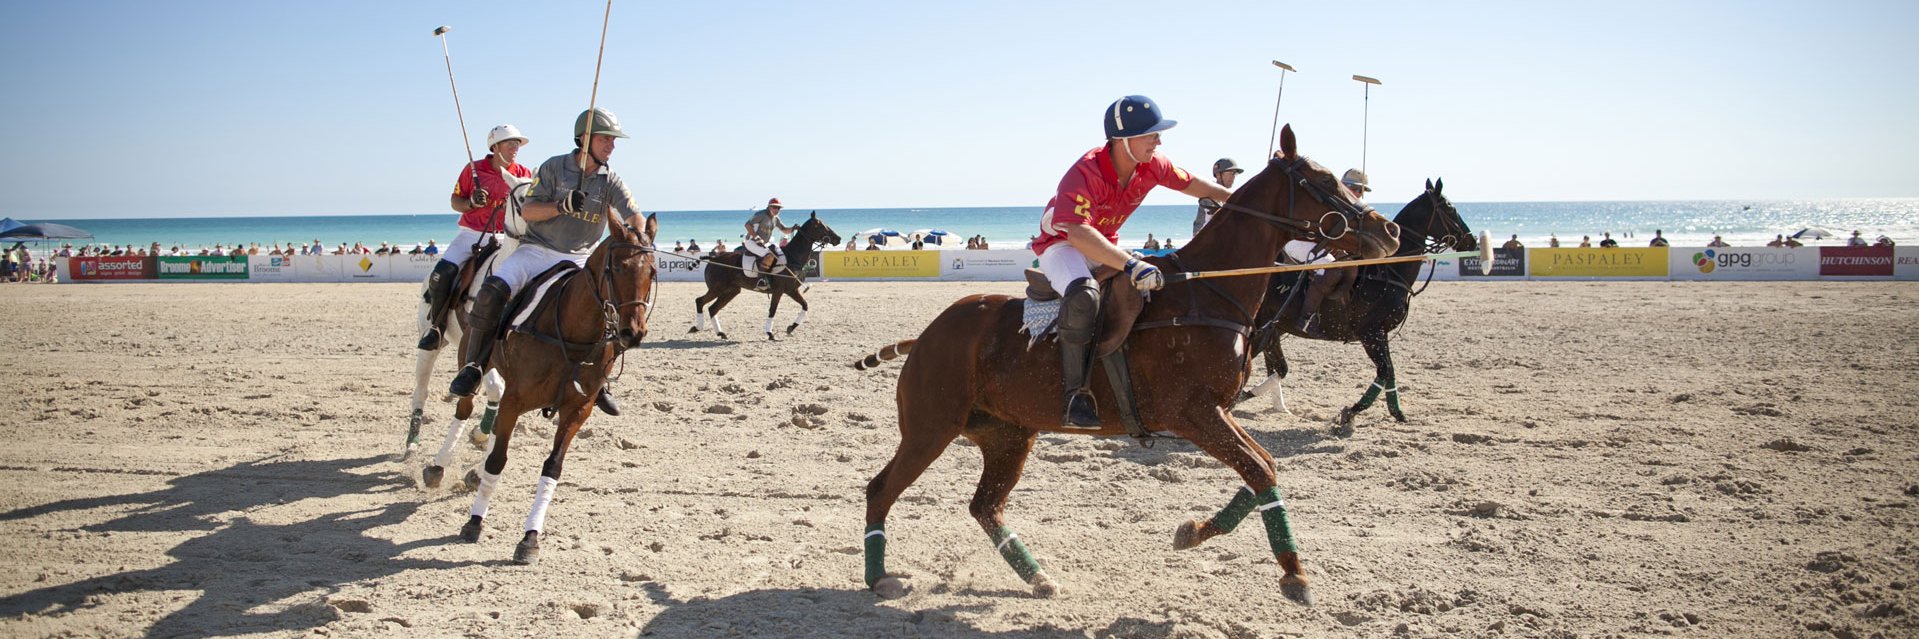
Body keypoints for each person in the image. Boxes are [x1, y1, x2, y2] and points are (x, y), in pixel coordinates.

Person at [1033, 95, 1232, 429]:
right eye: (1151, 134)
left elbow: (1193, 184)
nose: (1159, 140)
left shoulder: (1153, 164)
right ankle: (1074, 396)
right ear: (1123, 140)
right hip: (1063, 245)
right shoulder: (1084, 171)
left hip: (1104, 245)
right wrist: (1129, 264)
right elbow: (1078, 234)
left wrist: (1236, 199)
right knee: (1083, 297)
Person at [448, 108, 638, 417]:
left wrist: (638, 234)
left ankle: (599, 383)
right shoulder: (552, 168)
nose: (611, 146)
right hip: (537, 251)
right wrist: (561, 206)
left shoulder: (610, 180)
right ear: (585, 139)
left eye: (613, 140)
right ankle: (473, 367)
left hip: (579, 258)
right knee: (491, 291)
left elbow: (633, 214)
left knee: (611, 307)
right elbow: (529, 212)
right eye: (606, 139)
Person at [417, 124, 534, 351]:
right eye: (510, 143)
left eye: (517, 144)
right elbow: (455, 201)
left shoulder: (523, 174)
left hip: (509, 237)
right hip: (473, 234)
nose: (515, 147)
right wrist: (471, 203)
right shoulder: (473, 170)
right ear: (495, 146)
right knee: (443, 273)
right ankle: (437, 327)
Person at [1285, 168, 1372, 338]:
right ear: (1343, 187)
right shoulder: (1330, 202)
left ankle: (1341, 314)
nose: (1358, 193)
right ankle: (1305, 319)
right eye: (1354, 188)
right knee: (1331, 271)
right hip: (1300, 241)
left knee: (1352, 267)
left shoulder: (1349, 207)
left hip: (1321, 244)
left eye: (1361, 190)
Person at [742, 198, 797, 291]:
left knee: (779, 254)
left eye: (779, 208)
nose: (777, 210)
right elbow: (747, 225)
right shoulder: (760, 214)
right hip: (751, 242)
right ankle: (760, 281)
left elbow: (784, 230)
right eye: (775, 207)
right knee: (768, 256)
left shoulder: (776, 219)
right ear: (769, 207)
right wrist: (756, 237)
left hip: (764, 243)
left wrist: (793, 228)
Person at [1192, 158, 1244, 235]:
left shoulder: (1224, 197)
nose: (1233, 177)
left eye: (1235, 174)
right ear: (1218, 175)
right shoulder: (1210, 196)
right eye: (1232, 173)